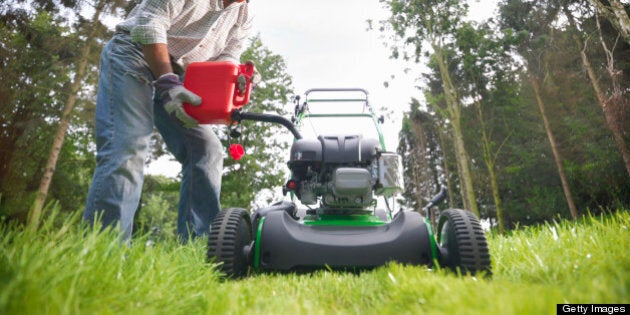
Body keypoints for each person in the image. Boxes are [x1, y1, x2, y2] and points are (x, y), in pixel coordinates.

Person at [83, 0, 252, 242]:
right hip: (134, 54)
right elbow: (150, 22)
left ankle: (199, 250)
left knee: (206, 149)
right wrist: (167, 81)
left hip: (182, 78)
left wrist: (234, 83)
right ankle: (104, 253)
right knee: (128, 147)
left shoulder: (242, 16)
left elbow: (226, 59)